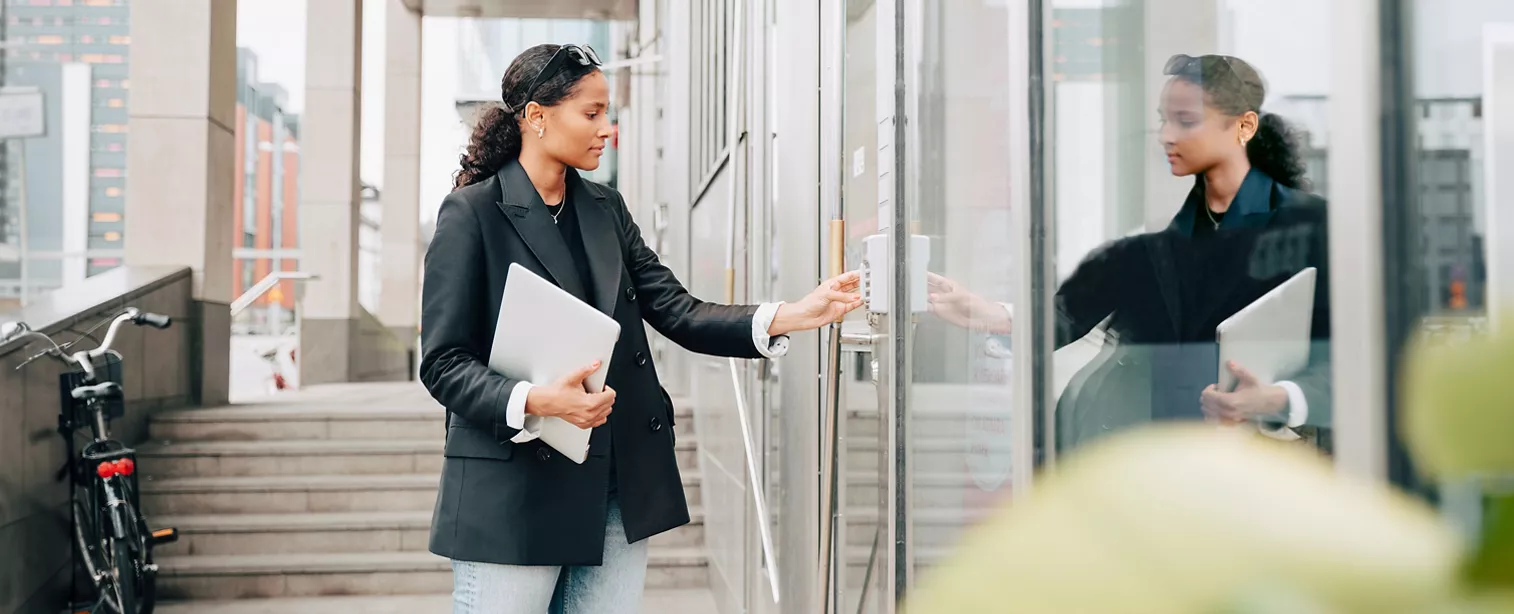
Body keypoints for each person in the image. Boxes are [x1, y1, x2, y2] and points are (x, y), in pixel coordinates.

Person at [418, 43, 863, 614]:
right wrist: (536, 401)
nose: (608, 128)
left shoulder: (606, 208)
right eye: (592, 113)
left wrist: (793, 314)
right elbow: (444, 361)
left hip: (615, 482)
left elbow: (676, 309)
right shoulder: (471, 213)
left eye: (609, 112)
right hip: (513, 492)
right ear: (536, 117)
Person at [926, 54, 1331, 452]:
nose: (1166, 136)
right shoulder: (1166, 239)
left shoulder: (1311, 227)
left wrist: (1281, 399)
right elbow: (1071, 314)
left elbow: (1350, 355)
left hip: (1254, 469)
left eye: (1186, 121)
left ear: (1243, 127)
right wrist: (989, 314)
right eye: (1163, 119)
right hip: (1149, 455)